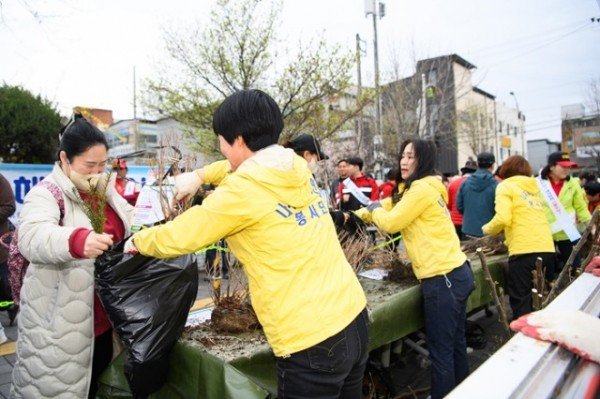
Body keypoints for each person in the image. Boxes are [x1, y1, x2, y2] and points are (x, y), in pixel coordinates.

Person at [125, 90, 369, 398]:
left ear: (238, 140)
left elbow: (182, 235)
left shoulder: (240, 192)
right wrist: (200, 174)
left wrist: (137, 240)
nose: (220, 146)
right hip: (353, 316)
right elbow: (236, 167)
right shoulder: (294, 166)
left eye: (221, 139)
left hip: (312, 340)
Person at [10, 116, 134, 399]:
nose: (97, 172)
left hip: (105, 320)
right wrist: (77, 240)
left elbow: (130, 218)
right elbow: (33, 236)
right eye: (89, 165)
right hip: (61, 329)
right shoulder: (46, 194)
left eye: (103, 165)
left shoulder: (104, 190)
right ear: (64, 158)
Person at [356, 138, 474, 399]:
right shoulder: (424, 188)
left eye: (411, 156)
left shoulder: (420, 190)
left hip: (443, 279)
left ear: (424, 161)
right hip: (456, 273)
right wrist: (356, 214)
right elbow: (388, 206)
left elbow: (390, 222)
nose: (404, 161)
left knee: (441, 352)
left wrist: (374, 211)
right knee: (455, 345)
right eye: (403, 156)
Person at [482, 155, 556, 319]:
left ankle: (523, 340)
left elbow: (503, 218)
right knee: (542, 298)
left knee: (521, 300)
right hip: (547, 249)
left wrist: (487, 229)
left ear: (505, 170)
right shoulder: (535, 189)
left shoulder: (505, 186)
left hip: (524, 252)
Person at [537, 152, 591, 272]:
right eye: (563, 166)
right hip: (545, 232)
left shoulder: (573, 184)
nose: (567, 170)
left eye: (569, 167)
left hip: (567, 231)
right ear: (551, 166)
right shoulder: (538, 183)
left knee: (575, 266)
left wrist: (591, 227)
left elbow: (581, 208)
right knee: (547, 269)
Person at [456, 152, 498, 238]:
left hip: (468, 230)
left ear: (478, 164)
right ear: (493, 165)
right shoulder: (496, 185)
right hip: (489, 233)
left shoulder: (465, 183)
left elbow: (459, 206)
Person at [0, 173, 16, 341]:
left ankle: (13, 306)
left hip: (0, 248)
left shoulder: (0, 180)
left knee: (6, 286)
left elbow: (9, 206)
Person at [447, 160, 476, 240]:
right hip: (469, 223)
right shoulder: (475, 184)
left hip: (454, 222)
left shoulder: (453, 183)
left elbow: (449, 204)